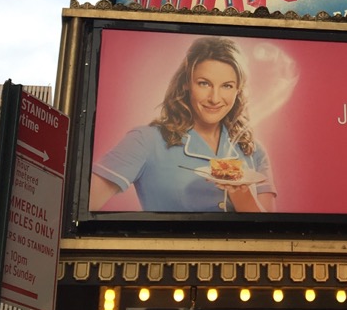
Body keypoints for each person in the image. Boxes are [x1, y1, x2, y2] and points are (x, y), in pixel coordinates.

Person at [89, 36, 276, 213]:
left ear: (238, 90)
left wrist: (241, 193)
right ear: (186, 83)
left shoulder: (254, 151)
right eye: (204, 83)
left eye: (227, 86)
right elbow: (81, 205)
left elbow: (269, 232)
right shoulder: (146, 140)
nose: (215, 98)